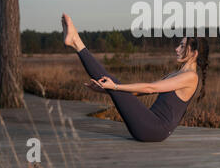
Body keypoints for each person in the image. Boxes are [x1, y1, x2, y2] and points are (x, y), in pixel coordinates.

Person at [61, 13, 209, 142]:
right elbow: (140, 92)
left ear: (194, 54)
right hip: (150, 125)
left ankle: (76, 42)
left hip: (155, 129)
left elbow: (150, 88)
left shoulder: (190, 77)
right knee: (114, 83)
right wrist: (107, 90)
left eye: (183, 46)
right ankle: (75, 44)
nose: (177, 49)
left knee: (116, 82)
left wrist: (116, 87)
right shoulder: (176, 74)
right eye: (179, 45)